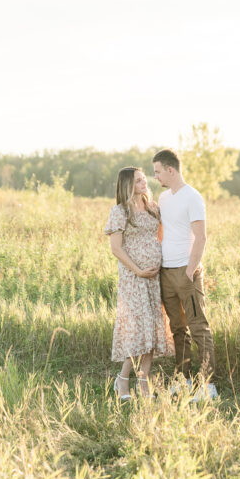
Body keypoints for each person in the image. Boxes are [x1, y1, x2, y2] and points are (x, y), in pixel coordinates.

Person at [152, 148, 218, 399]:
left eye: (158, 172)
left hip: (186, 272)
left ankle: (209, 386)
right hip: (166, 272)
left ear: (170, 170)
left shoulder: (193, 197)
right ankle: (183, 381)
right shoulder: (164, 198)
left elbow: (201, 237)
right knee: (178, 329)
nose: (155, 177)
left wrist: (191, 270)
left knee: (198, 327)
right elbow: (162, 231)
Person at [104, 166, 174, 399]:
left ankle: (143, 383)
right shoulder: (120, 211)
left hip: (153, 277)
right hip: (133, 278)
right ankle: (122, 381)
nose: (144, 183)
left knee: (152, 329)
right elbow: (116, 249)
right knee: (137, 331)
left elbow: (161, 236)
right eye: (138, 181)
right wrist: (139, 270)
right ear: (127, 185)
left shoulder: (154, 208)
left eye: (144, 179)